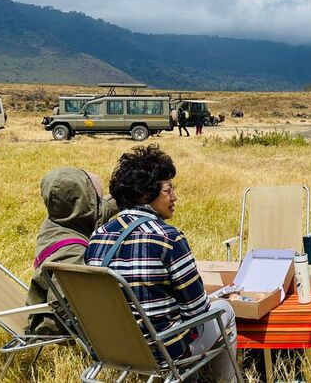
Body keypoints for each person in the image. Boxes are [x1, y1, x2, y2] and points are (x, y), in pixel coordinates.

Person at [84, 145, 238, 381]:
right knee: (223, 311)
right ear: (146, 195)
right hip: (162, 352)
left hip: (113, 348)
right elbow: (197, 311)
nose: (174, 197)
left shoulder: (98, 235)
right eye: (168, 190)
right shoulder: (168, 238)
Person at [25, 168, 118, 335]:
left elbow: (100, 211)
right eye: (95, 199)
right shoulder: (72, 252)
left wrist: (124, 196)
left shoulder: (57, 220)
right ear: (86, 203)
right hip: (55, 325)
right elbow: (63, 304)